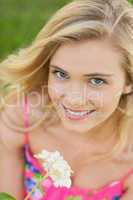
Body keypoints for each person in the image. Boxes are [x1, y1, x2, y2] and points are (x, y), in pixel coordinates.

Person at [0, 0, 133, 199]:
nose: (73, 99)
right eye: (61, 74)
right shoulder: (23, 118)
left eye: (96, 80)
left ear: (128, 82)